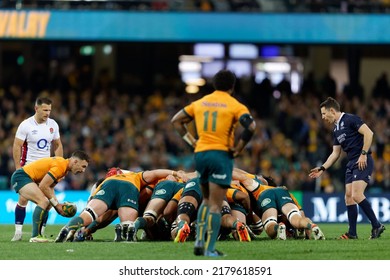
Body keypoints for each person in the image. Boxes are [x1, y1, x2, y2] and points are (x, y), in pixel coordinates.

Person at [171, 69, 256, 257]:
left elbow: (176, 121)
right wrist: (239, 148)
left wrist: (192, 142)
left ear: (214, 85)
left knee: (207, 201)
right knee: (216, 205)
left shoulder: (200, 103)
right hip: (220, 155)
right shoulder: (234, 105)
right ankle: (209, 249)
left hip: (201, 155)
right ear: (232, 87)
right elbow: (251, 126)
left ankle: (199, 242)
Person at [309, 97, 385, 239]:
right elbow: (335, 153)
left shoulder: (350, 119)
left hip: (363, 160)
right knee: (348, 198)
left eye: (324, 114)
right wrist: (322, 168)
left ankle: (376, 225)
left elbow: (369, 133)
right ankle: (352, 234)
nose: (323, 117)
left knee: (356, 195)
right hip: (351, 163)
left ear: (332, 110)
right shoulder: (336, 129)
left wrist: (363, 154)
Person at [55, 169, 187, 243]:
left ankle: (68, 229)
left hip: (108, 186)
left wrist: (86, 229)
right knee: (129, 223)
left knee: (88, 214)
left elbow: (98, 214)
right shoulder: (134, 175)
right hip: (130, 188)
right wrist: (175, 173)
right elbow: (154, 173)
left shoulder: (103, 182)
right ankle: (125, 231)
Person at [12, 97, 63, 241]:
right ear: (36, 109)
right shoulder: (25, 125)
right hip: (29, 167)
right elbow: (17, 146)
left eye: (50, 110)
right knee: (23, 199)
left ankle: (41, 232)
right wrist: (18, 168)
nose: (48, 113)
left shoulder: (53, 125)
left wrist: (59, 166)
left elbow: (58, 145)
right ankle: (18, 232)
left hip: (46, 169)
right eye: (45, 110)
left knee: (48, 200)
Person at [10, 150, 90, 242]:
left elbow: (50, 188)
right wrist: (57, 205)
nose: (83, 170)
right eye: (83, 166)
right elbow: (43, 186)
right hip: (21, 177)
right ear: (75, 162)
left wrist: (57, 206)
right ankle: (35, 236)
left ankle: (41, 234)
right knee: (43, 201)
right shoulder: (61, 165)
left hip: (27, 178)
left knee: (49, 204)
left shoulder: (64, 170)